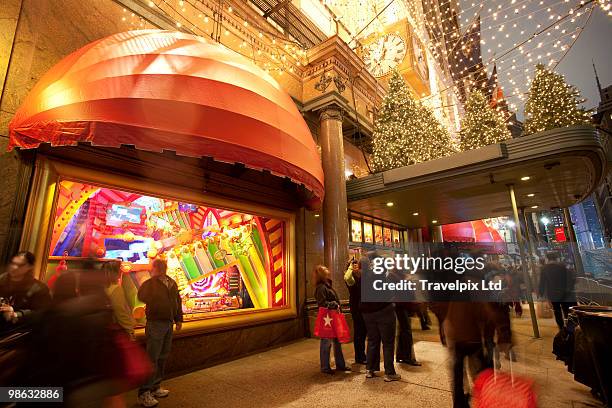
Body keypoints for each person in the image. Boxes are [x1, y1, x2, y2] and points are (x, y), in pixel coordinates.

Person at [137, 259, 183, 407]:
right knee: (152, 358)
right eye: (158, 267)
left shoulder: (171, 282)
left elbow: (178, 301)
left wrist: (178, 318)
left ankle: (155, 387)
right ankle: (144, 392)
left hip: (168, 323)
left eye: (159, 267)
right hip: (155, 323)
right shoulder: (150, 284)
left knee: (162, 356)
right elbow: (141, 296)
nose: (157, 269)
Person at [360, 255, 400, 382]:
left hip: (367, 314)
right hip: (384, 311)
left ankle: (370, 370)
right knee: (388, 343)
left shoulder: (364, 277)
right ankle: (389, 372)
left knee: (372, 340)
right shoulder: (383, 277)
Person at [0, 251, 51, 334]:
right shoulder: (1, 280)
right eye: (13, 263)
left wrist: (16, 314)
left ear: (30, 267)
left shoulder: (39, 288)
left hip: (19, 333)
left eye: (20, 265)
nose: (14, 267)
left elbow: (42, 313)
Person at [314, 265, 351, 374]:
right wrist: (333, 304)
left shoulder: (327, 285)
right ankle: (325, 367)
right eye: (326, 271)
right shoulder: (321, 287)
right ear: (322, 274)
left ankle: (340, 364)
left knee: (337, 341)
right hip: (327, 318)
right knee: (326, 342)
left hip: (332, 317)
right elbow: (321, 303)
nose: (328, 272)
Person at [538, 252, 576, 331]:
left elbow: (542, 282)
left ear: (547, 258)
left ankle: (561, 328)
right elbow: (569, 278)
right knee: (566, 310)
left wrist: (540, 293)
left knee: (557, 311)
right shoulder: (562, 266)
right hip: (564, 293)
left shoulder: (544, 268)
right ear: (556, 258)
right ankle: (570, 328)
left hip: (553, 294)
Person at [104, 260, 136, 339]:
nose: (121, 272)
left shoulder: (105, 287)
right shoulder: (116, 289)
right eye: (119, 269)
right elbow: (121, 312)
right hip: (119, 331)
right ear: (115, 273)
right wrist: (130, 331)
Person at [343, 257, 367, 365]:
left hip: (361, 307)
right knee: (359, 333)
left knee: (362, 332)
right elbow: (347, 277)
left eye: (357, 264)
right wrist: (350, 267)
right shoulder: (351, 277)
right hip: (356, 308)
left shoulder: (360, 276)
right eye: (354, 264)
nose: (356, 266)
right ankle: (360, 357)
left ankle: (361, 355)